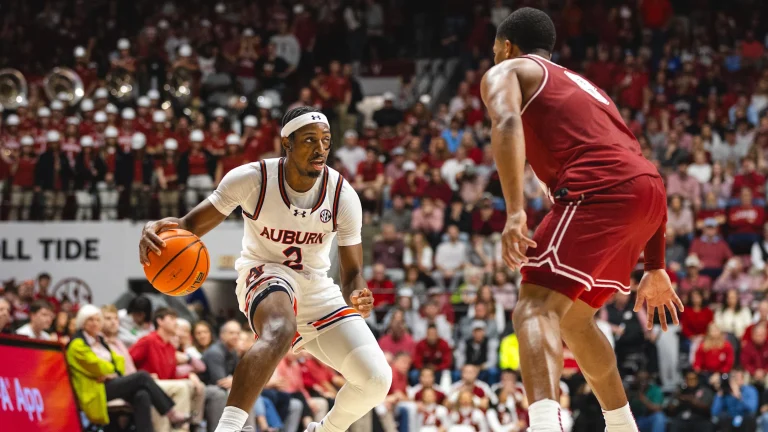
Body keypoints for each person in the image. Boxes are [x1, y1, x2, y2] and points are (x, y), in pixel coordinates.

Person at [482, 8, 682, 431]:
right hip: (646, 194)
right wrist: (656, 264)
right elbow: (638, 170)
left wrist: (514, 211)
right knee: (573, 319)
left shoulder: (508, 70)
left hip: (601, 192)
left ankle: (543, 425)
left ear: (505, 46)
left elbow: (504, 121)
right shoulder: (588, 88)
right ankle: (623, 425)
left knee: (533, 307)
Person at [138, 107, 390, 432]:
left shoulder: (342, 195)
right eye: (310, 140)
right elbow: (188, 227)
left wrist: (357, 293)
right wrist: (157, 232)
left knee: (376, 379)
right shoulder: (253, 179)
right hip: (265, 272)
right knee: (280, 328)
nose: (320, 149)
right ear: (287, 142)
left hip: (315, 286)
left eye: (326, 141)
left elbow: (352, 273)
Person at [66, 305, 188, 431]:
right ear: (82, 322)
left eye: (97, 320)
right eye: (90, 320)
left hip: (110, 383)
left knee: (142, 394)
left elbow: (119, 361)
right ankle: (171, 414)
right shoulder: (77, 344)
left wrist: (111, 371)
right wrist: (111, 369)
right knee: (142, 376)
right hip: (95, 389)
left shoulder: (99, 340)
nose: (95, 323)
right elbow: (96, 365)